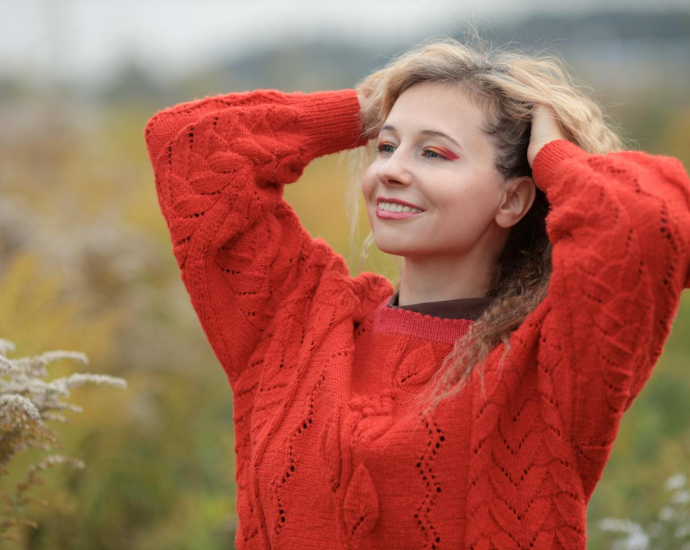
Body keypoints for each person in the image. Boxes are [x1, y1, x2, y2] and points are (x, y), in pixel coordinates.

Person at [143, 31, 690, 550]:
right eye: (384, 148)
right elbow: (188, 148)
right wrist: (371, 106)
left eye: (433, 153)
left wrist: (553, 156)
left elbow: (647, 220)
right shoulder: (300, 321)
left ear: (514, 200)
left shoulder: (549, 363)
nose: (390, 171)